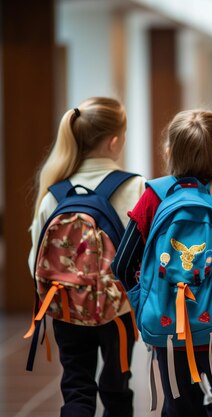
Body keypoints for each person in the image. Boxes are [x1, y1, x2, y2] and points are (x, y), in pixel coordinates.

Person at [111, 109, 212, 417]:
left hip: (169, 326)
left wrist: (148, 298)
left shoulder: (155, 196)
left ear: (170, 151)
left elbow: (123, 262)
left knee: (180, 408)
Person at [28, 97, 145, 417]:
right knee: (116, 387)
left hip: (66, 307)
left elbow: (34, 260)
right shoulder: (135, 187)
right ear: (115, 140)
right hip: (118, 310)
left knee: (77, 386)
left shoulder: (55, 192)